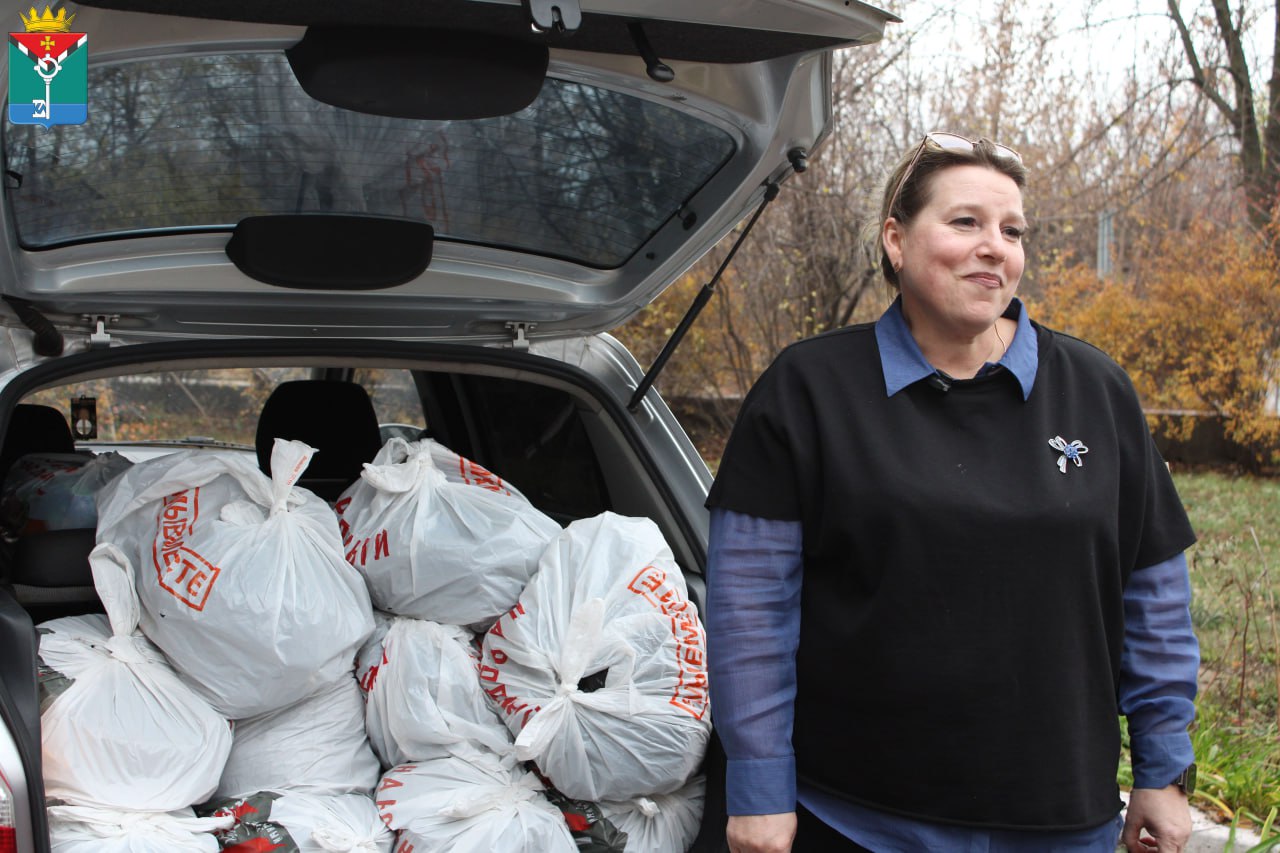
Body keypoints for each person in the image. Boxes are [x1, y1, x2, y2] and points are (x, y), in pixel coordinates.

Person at [704, 132, 1200, 853]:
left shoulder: (1096, 390)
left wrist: (1164, 769)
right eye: (966, 222)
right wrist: (759, 786)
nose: (995, 247)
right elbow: (751, 609)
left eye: (1012, 231)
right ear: (896, 240)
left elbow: (1155, 595)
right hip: (854, 817)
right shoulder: (808, 389)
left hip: (1061, 820)